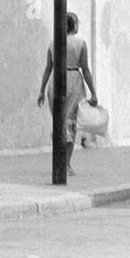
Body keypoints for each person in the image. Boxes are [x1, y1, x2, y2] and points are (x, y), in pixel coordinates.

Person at [36, 11, 100, 174]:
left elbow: (48, 68)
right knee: (71, 123)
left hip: (55, 82)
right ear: (74, 25)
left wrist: (42, 90)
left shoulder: (52, 43)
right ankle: (66, 164)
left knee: (60, 122)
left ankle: (59, 162)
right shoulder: (80, 44)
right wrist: (93, 92)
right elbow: (85, 69)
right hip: (73, 82)